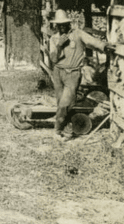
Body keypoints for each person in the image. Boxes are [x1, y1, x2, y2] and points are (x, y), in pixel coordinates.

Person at [48, 9, 113, 142]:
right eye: (58, 25)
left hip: (73, 74)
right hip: (58, 73)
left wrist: (104, 46)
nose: (61, 27)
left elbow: (91, 41)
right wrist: (59, 46)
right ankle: (67, 130)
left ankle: (57, 130)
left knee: (65, 104)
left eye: (64, 24)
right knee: (60, 103)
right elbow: (53, 59)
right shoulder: (54, 38)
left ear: (68, 24)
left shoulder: (77, 34)